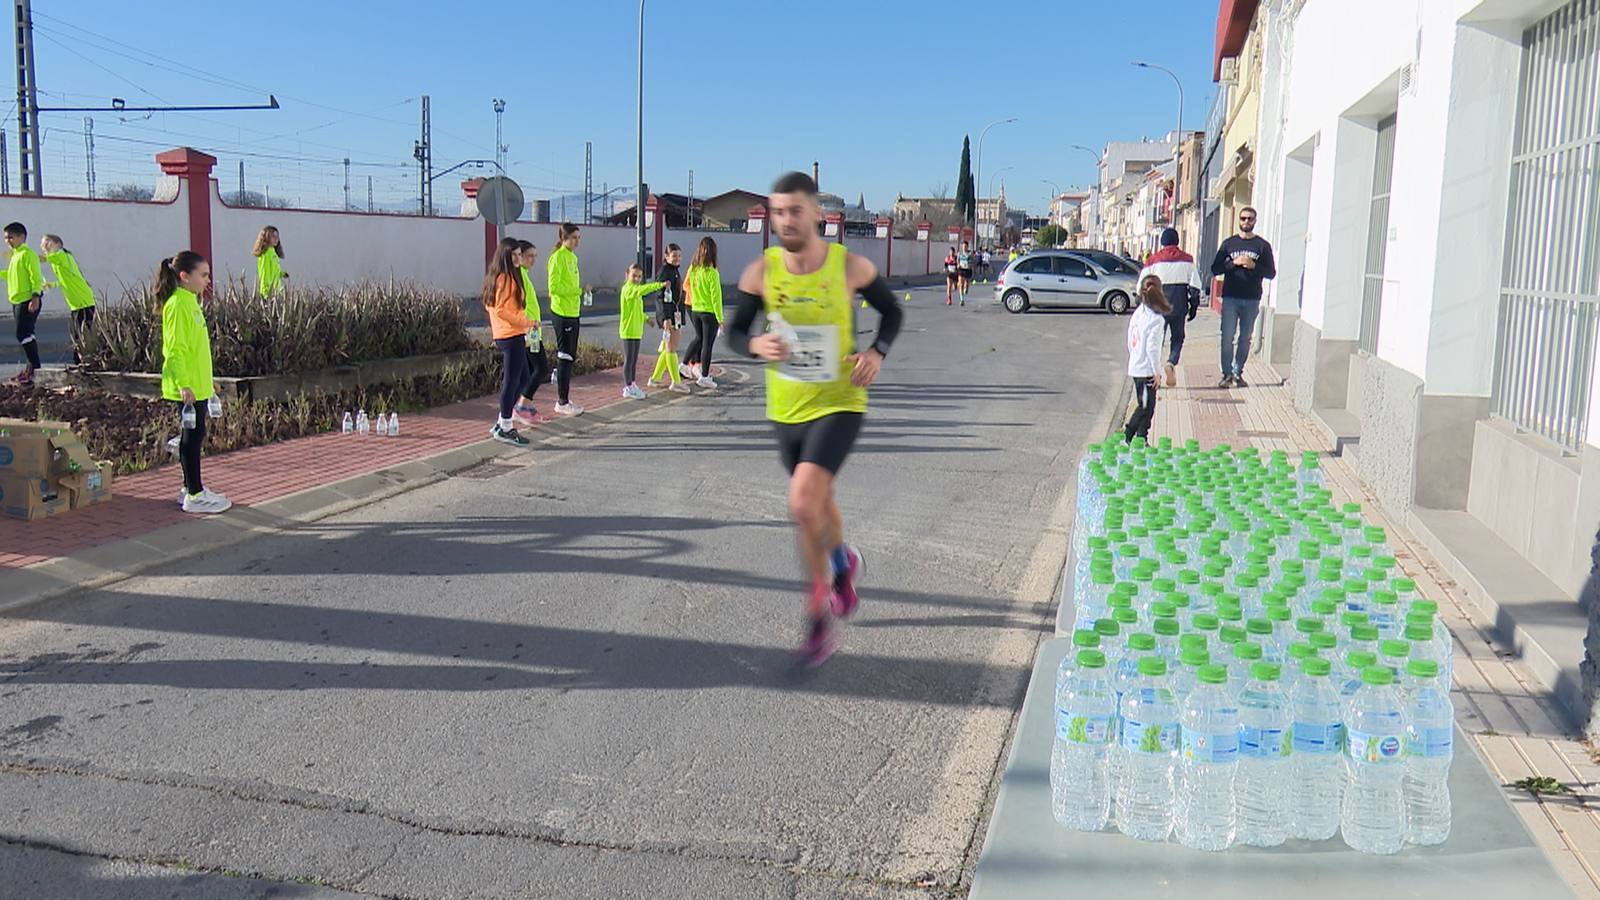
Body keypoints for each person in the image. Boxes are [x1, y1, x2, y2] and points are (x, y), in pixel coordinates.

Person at [725, 171, 904, 667]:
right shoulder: (761, 272)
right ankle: (843, 563)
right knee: (818, 502)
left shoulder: (848, 266)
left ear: (816, 215)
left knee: (802, 501)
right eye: (777, 212)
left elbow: (892, 313)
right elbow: (734, 334)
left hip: (840, 401)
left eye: (794, 212)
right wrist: (756, 344)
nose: (785, 221)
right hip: (785, 408)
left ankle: (818, 621)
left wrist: (877, 353)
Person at [157, 250, 230, 514]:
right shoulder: (177, 304)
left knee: (195, 434)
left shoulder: (190, 302)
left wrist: (208, 382)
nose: (207, 280)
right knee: (193, 436)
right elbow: (175, 350)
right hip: (187, 387)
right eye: (203, 275)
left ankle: (190, 487)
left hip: (198, 385)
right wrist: (184, 384)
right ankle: (195, 494)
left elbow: (196, 350)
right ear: (185, 276)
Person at [1210, 206, 1276, 388]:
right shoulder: (1229, 244)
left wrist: (1253, 265)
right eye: (1243, 218)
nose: (1246, 222)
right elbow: (1215, 268)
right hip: (1230, 297)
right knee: (1227, 337)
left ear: (1255, 221)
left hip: (1252, 298)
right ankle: (1226, 374)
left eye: (1250, 219)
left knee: (1245, 337)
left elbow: (1271, 273)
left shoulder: (1262, 246)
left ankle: (1238, 372)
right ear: (1239, 220)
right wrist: (1233, 264)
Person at [484, 238, 536, 446]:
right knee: (513, 381)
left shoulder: (500, 277)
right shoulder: (505, 278)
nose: (517, 258)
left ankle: (502, 421)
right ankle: (506, 426)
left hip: (511, 334)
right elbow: (500, 310)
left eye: (518, 254)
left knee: (523, 379)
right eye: (513, 255)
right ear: (504, 256)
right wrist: (527, 322)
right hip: (510, 335)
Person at [1139, 227, 1203, 386]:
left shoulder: (1153, 260)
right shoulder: (1187, 259)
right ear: (1177, 241)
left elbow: (1141, 284)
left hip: (1158, 308)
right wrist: (1193, 306)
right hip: (1179, 307)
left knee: (1155, 340)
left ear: (1162, 242)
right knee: (1178, 338)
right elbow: (1195, 286)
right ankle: (1171, 362)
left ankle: (1154, 373)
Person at [546, 222, 591, 415]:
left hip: (573, 312)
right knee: (565, 356)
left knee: (570, 356)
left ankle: (564, 394)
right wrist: (577, 291)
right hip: (562, 313)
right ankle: (562, 401)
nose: (577, 241)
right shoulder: (557, 258)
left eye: (579, 238)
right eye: (573, 237)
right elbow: (554, 288)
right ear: (564, 238)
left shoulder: (573, 257)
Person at [1124, 276, 1171, 444]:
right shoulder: (1157, 320)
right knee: (1144, 406)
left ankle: (1142, 439)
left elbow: (1130, 338)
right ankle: (1128, 435)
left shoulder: (1139, 313)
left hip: (1137, 365)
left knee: (1148, 407)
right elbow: (1153, 349)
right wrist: (1156, 372)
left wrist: (1134, 354)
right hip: (1146, 371)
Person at [511, 240, 552, 425]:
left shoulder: (524, 274)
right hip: (528, 331)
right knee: (542, 368)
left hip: (533, 330)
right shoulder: (519, 275)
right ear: (520, 257)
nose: (533, 260)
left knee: (527, 373)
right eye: (529, 256)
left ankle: (524, 405)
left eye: (535, 256)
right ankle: (521, 406)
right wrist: (528, 327)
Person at [39, 234, 96, 364]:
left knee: (82, 335)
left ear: (58, 244)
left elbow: (43, 259)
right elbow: (63, 280)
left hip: (84, 302)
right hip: (75, 304)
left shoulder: (62, 256)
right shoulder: (57, 261)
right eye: (42, 245)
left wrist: (25, 256)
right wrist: (52, 284)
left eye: (47, 243)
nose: (44, 247)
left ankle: (85, 363)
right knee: (76, 336)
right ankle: (80, 363)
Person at [3, 222, 44, 384]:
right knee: (26, 333)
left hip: (27, 300)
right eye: (6, 238)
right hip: (16, 300)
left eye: (11, 237)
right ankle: (31, 369)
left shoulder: (28, 254)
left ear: (22, 237)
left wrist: (35, 296)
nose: (8, 241)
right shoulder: (15, 255)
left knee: (23, 334)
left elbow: (36, 277)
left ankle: (35, 368)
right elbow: (12, 276)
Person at [619, 264, 666, 399]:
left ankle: (632, 384)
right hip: (628, 331)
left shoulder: (636, 291)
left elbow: (637, 310)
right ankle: (628, 387)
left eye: (639, 276)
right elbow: (642, 290)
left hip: (636, 331)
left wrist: (646, 319)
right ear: (627, 275)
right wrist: (659, 285)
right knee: (629, 360)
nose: (637, 279)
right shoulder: (627, 289)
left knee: (634, 360)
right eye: (634, 275)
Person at [648, 243, 688, 391]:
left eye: (679, 256)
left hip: (676, 313)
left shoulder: (675, 271)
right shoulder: (665, 272)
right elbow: (660, 296)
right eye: (674, 256)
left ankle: (655, 378)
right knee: (671, 347)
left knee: (671, 346)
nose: (677, 258)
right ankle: (676, 382)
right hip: (668, 315)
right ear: (666, 257)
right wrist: (665, 318)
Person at [685, 237, 724, 388]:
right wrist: (720, 319)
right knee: (707, 345)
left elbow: (688, 286)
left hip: (696, 310)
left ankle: (685, 363)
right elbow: (716, 297)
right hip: (709, 312)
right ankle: (705, 376)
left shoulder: (694, 270)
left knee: (699, 339)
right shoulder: (712, 273)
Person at [253, 226, 288, 298]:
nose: (276, 239)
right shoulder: (265, 254)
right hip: (269, 293)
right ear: (266, 237)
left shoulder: (273, 253)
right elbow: (264, 273)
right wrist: (266, 292)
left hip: (276, 291)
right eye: (273, 237)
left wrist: (282, 274)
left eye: (277, 237)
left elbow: (274, 270)